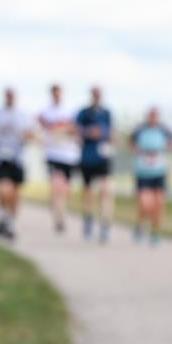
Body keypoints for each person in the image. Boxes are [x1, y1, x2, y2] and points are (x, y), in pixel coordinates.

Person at [0, 88, 33, 241]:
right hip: (1, 157)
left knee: (15, 194)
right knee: (4, 189)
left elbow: (31, 133)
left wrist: (26, 137)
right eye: (8, 96)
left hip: (18, 158)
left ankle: (9, 222)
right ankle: (3, 216)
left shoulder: (22, 115)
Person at [130, 107, 172, 246]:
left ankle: (155, 232)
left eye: (155, 116)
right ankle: (140, 224)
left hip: (159, 171)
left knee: (159, 203)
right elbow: (131, 144)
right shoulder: (140, 130)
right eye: (151, 116)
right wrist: (138, 150)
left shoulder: (164, 130)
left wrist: (166, 149)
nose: (153, 118)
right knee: (145, 204)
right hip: (143, 172)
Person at [38, 84, 80, 234]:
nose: (57, 96)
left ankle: (61, 211)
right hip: (53, 154)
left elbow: (76, 129)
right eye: (54, 93)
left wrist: (66, 129)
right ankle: (58, 218)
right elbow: (39, 127)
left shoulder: (70, 111)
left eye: (59, 93)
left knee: (65, 190)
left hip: (68, 155)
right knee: (56, 186)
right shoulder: (45, 112)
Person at [76, 86, 115, 243]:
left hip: (103, 157)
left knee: (106, 191)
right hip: (87, 157)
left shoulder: (106, 113)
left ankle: (105, 224)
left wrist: (104, 135)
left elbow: (112, 133)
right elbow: (76, 131)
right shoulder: (84, 113)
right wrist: (89, 132)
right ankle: (88, 219)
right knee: (89, 192)